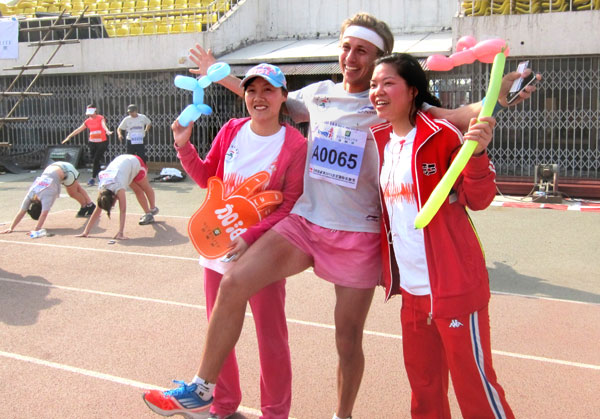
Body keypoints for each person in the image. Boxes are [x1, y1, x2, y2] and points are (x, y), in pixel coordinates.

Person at [151, 12, 539, 419]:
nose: (351, 58)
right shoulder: (318, 93)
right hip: (305, 224)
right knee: (232, 283)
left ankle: (342, 415)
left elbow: (459, 115)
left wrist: (502, 91)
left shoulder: (388, 103)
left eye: (363, 51)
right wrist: (221, 74)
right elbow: (270, 97)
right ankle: (202, 388)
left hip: (357, 235)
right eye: (347, 48)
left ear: (379, 59)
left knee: (347, 339)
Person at [142, 63, 307, 419]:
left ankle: (276, 413)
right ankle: (222, 403)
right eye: (252, 91)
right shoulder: (231, 130)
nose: (259, 98)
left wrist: (250, 237)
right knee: (220, 332)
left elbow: (290, 205)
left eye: (268, 90)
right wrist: (183, 145)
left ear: (283, 96)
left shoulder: (295, 145)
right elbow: (205, 177)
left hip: (262, 252)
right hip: (217, 247)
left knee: (271, 337)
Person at [369, 53, 514, 418]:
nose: (378, 92)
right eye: (374, 85)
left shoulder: (442, 135)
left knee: (473, 387)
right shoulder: (379, 141)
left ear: (413, 90)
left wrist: (479, 152)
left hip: (453, 286)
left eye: (388, 83)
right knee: (425, 389)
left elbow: (478, 198)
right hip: (413, 293)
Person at [0, 161, 95, 234]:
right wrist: (11, 227)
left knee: (73, 193)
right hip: (54, 167)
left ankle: (86, 206)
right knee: (77, 187)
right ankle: (90, 204)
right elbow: (22, 211)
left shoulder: (47, 196)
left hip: (67, 170)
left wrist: (37, 230)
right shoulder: (31, 195)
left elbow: (44, 214)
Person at [78, 154, 158, 240]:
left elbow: (122, 210)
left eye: (113, 204)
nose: (114, 204)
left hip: (134, 162)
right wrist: (86, 231)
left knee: (145, 186)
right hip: (123, 167)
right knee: (137, 190)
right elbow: (97, 210)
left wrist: (120, 233)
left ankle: (152, 208)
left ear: (113, 196)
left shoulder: (119, 188)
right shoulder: (102, 189)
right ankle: (148, 213)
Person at [62, 104, 113, 186]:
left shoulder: (100, 118)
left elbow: (104, 125)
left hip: (102, 142)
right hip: (92, 143)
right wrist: (69, 136)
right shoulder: (87, 121)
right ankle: (101, 178)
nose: (90, 115)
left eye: (91, 113)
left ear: (95, 111)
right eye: (89, 113)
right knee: (95, 160)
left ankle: (93, 178)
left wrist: (107, 131)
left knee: (96, 159)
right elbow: (79, 129)